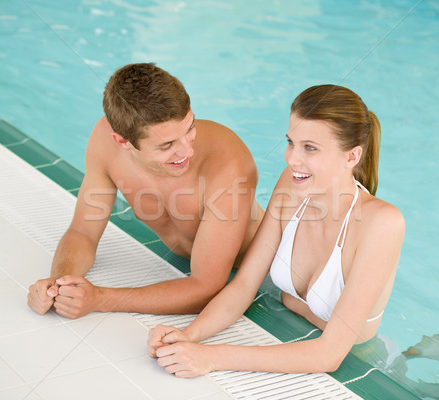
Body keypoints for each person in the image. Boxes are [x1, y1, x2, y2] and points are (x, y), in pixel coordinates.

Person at [148, 84, 405, 377]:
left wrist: (209, 357)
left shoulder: (382, 223)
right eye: (291, 142)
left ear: (352, 156)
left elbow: (329, 355)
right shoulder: (293, 183)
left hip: (360, 359)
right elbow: (245, 284)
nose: (292, 159)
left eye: (309, 148)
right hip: (286, 319)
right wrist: (188, 335)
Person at [27, 63, 264, 319]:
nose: (187, 151)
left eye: (190, 128)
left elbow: (206, 288)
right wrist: (60, 286)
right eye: (168, 145)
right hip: (192, 270)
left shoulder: (227, 161)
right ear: (123, 141)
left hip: (267, 271)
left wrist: (99, 299)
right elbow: (82, 232)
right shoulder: (105, 144)